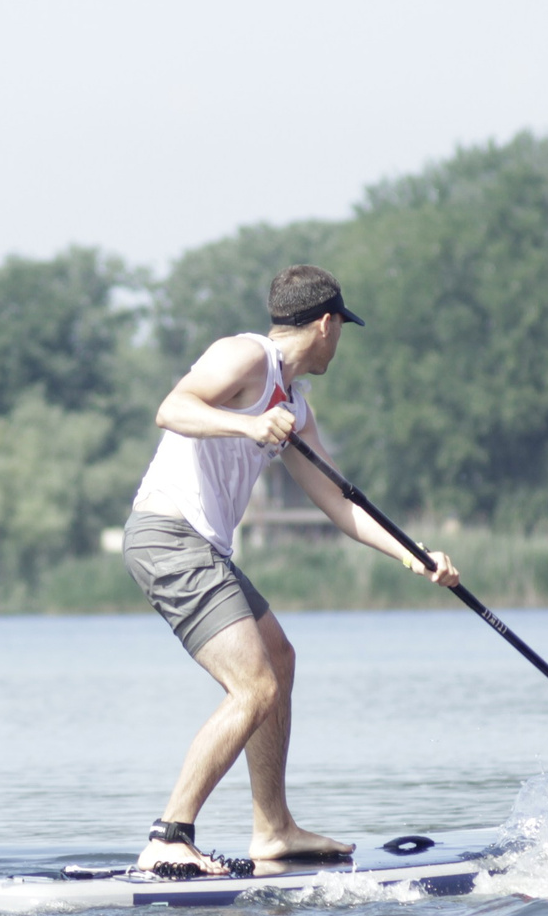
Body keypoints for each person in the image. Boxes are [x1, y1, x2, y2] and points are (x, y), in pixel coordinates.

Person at [123, 264, 460, 877]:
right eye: (342, 330)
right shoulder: (244, 356)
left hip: (203, 549)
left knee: (280, 659)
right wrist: (249, 423)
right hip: (169, 538)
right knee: (254, 687)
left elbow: (339, 503)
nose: (340, 344)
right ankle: (169, 836)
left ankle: (273, 828)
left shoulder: (295, 406)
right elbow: (173, 408)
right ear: (327, 324)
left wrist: (415, 555)